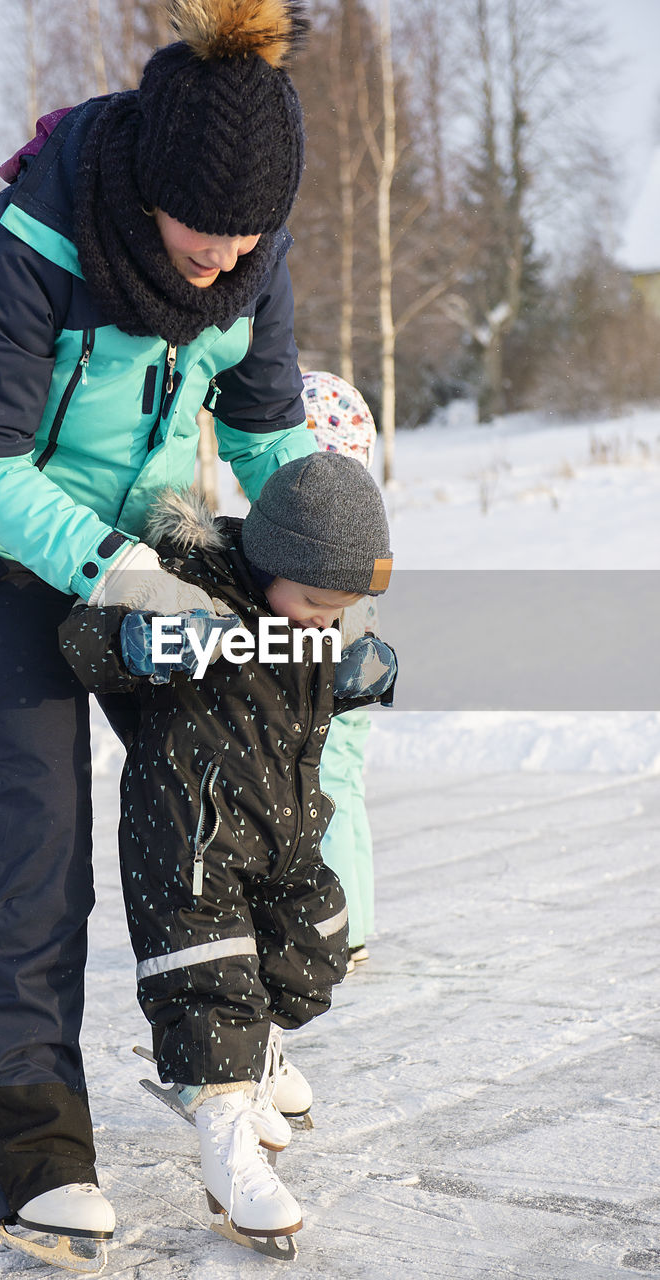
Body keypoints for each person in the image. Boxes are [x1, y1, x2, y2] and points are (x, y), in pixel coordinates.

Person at [0, 0, 322, 1253]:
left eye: (252, 233)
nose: (226, 256)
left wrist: (320, 538)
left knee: (215, 794)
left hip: (145, 546)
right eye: (210, 229)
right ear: (148, 188)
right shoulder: (22, 246)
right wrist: (113, 565)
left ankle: (225, 1068)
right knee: (44, 833)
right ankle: (29, 1149)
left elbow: (262, 428)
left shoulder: (247, 260)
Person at [59, 451, 397, 1244]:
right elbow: (82, 639)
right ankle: (227, 1142)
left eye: (344, 609)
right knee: (210, 994)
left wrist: (360, 669)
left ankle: (256, 1058)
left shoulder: (307, 614)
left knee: (313, 956)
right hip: (190, 837)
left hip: (285, 834)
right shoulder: (191, 587)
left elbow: (315, 685)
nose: (327, 619)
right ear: (274, 561)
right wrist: (143, 644)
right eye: (319, 602)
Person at [301, 370, 383, 971]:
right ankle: (356, 920)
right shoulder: (364, 518)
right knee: (344, 786)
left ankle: (339, 926)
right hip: (362, 668)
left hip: (335, 674)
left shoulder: (317, 529)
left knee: (325, 787)